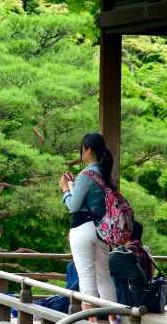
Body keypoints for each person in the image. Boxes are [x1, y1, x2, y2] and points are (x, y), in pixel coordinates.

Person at [59, 133, 118, 312]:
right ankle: (114, 318)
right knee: (104, 276)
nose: (81, 153)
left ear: (89, 149)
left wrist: (65, 190)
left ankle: (90, 320)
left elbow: (74, 206)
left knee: (86, 276)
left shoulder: (87, 173)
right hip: (101, 230)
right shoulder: (105, 173)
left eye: (82, 149)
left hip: (82, 228)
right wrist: (73, 186)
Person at [109, 220, 153, 308]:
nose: (122, 233)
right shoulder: (140, 247)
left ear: (132, 233)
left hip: (132, 297)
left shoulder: (130, 250)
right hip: (140, 294)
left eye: (126, 230)